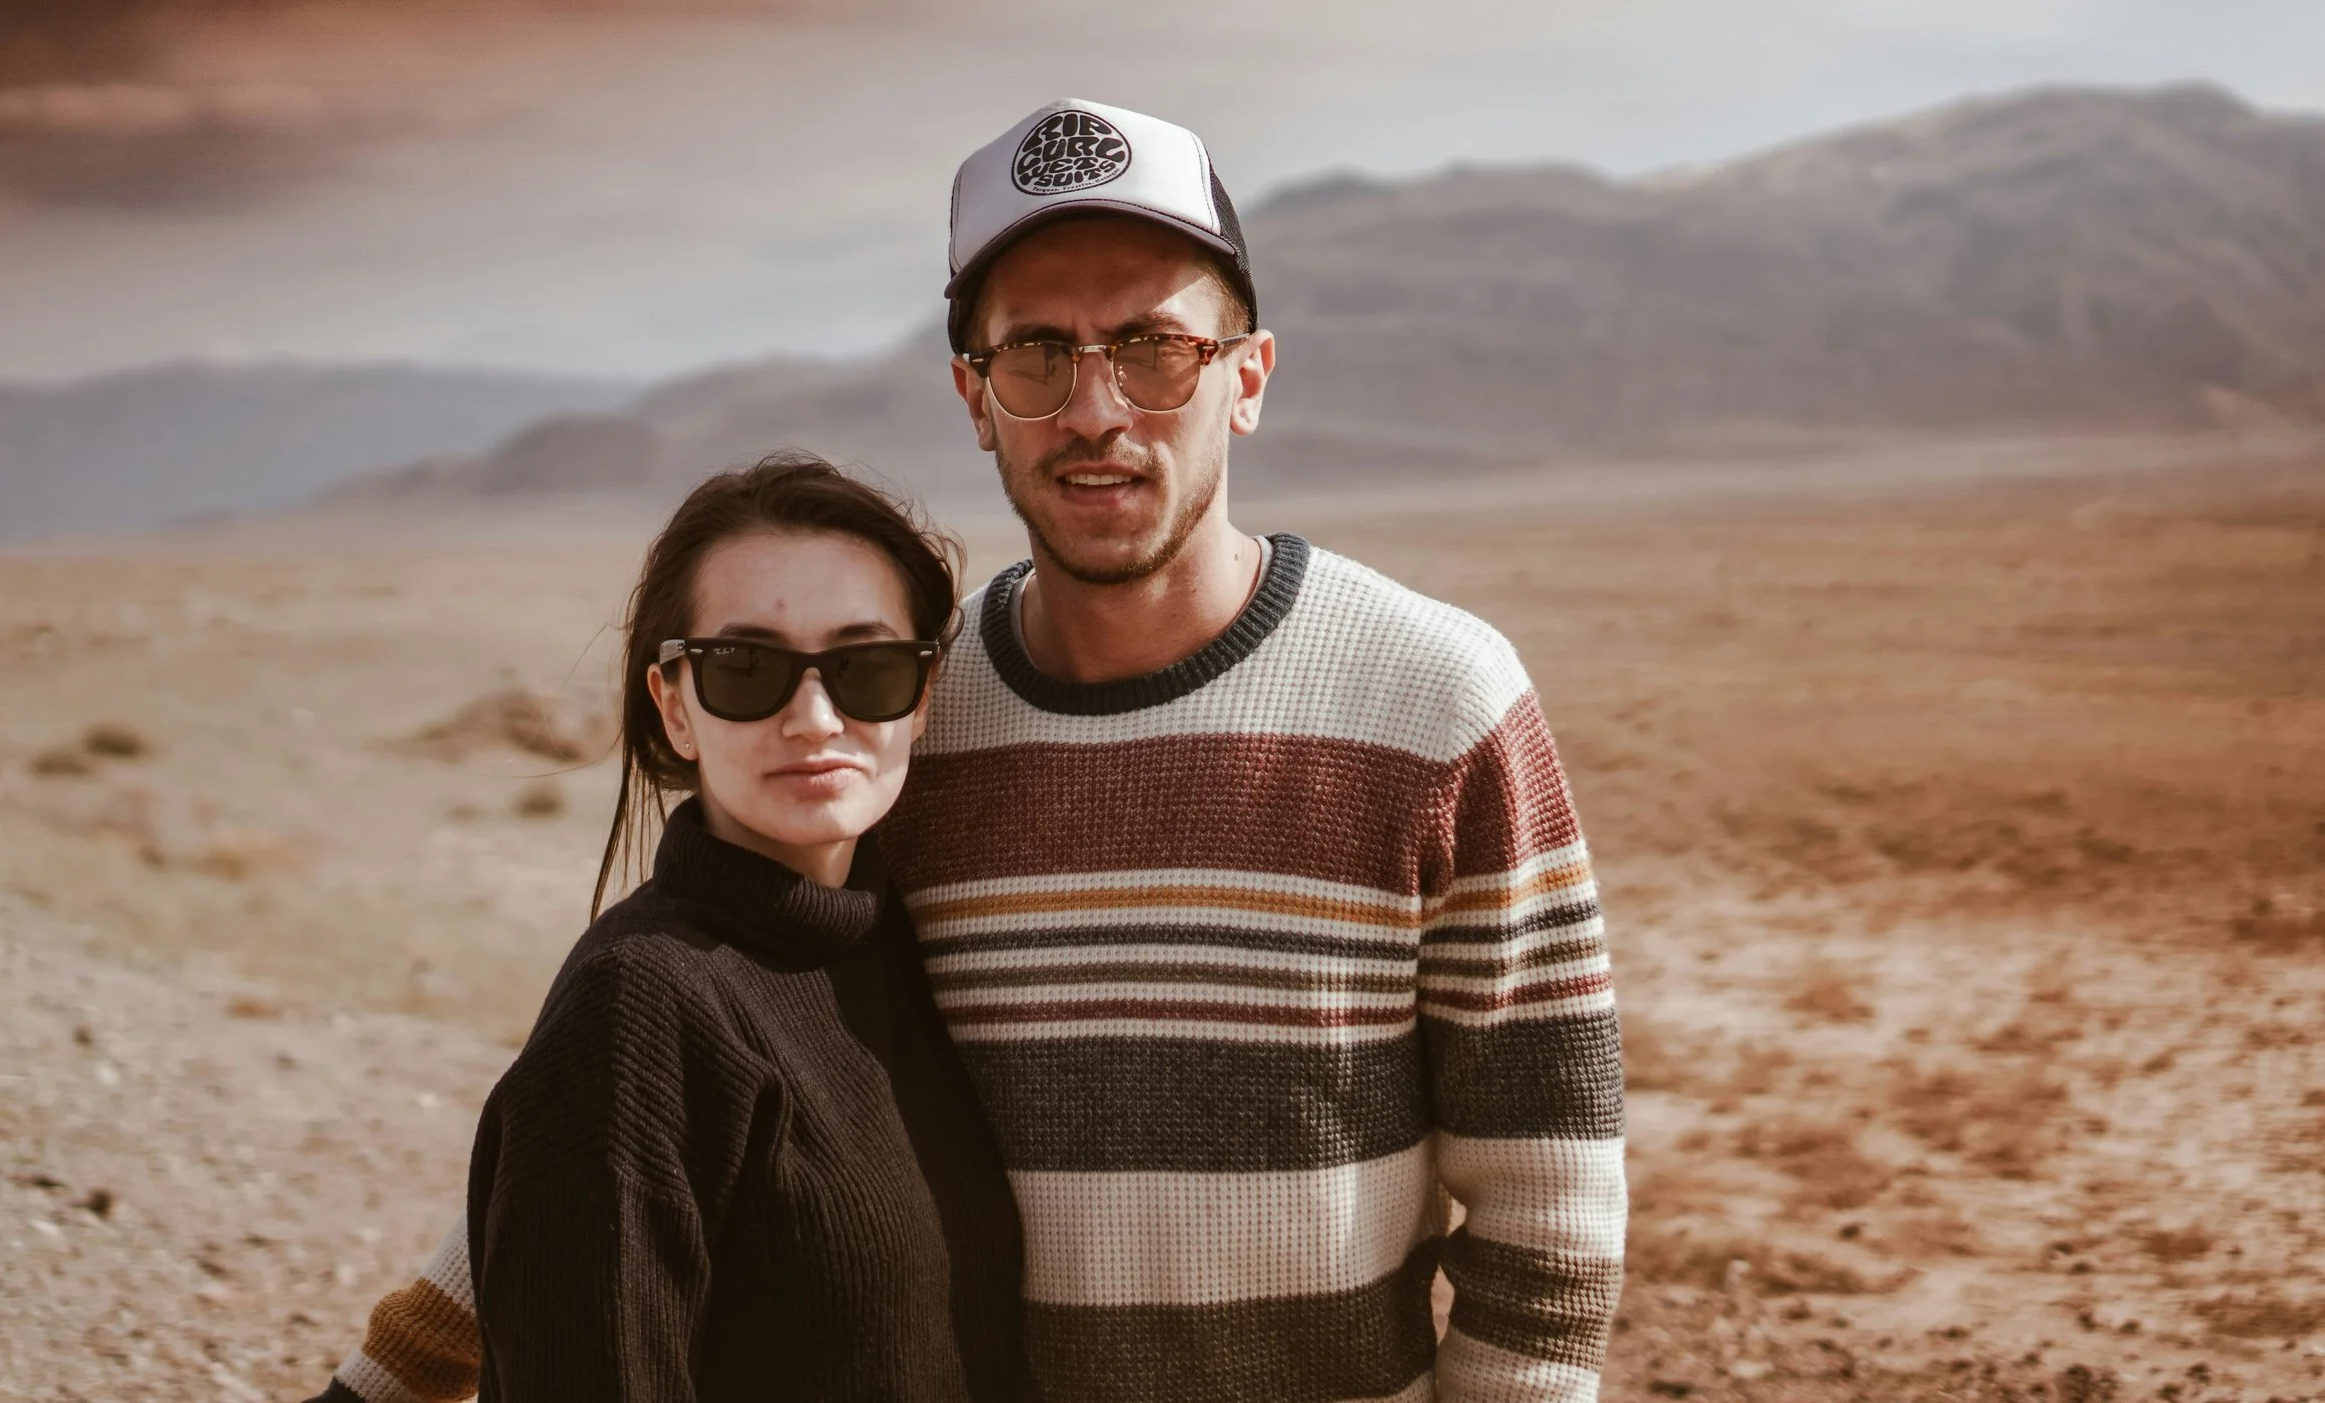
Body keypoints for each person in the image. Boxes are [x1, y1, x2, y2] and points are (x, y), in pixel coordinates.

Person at [315, 99, 1625, 1403]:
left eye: (1155, 346)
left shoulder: (1436, 698)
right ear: (975, 397)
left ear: (1248, 376)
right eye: (1037, 353)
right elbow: (653, 1113)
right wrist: (395, 1372)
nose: (1096, 407)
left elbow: (1547, 1192)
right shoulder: (903, 717)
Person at [341, 457, 1027, 1403]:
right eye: (746, 669)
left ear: (923, 694)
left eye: (866, 667)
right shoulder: (642, 1009)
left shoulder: (909, 949)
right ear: (674, 708)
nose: (816, 718)